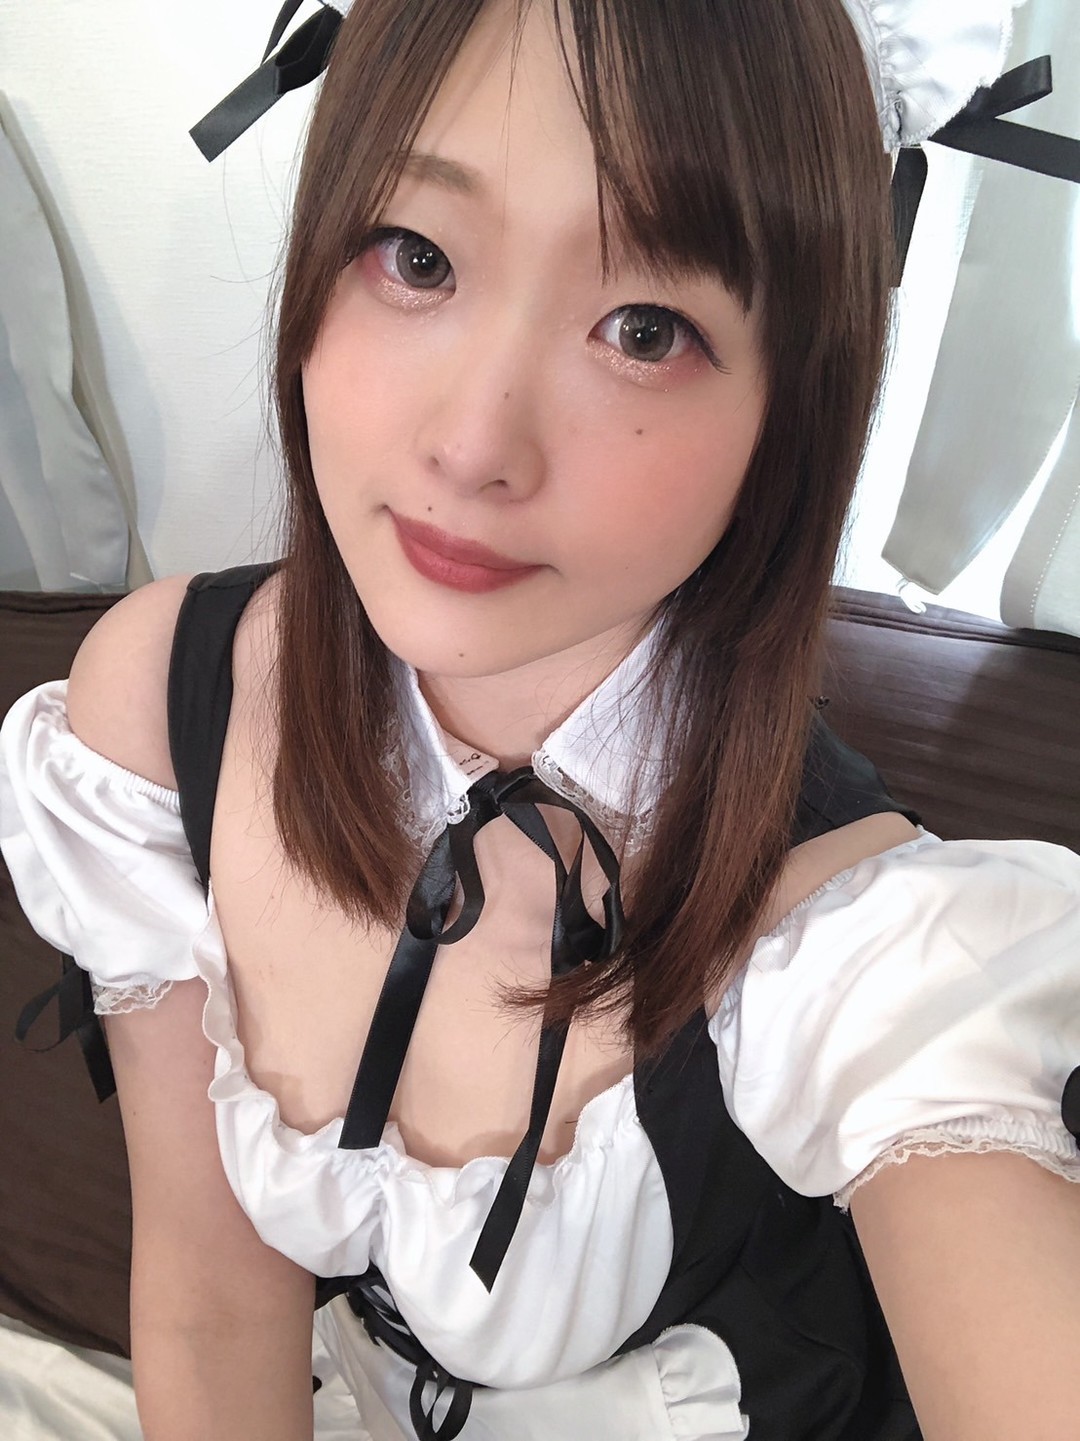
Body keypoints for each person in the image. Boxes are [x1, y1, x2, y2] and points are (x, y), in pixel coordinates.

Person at [2, 1, 1079, 1438]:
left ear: (793, 409)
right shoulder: (163, 706)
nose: (472, 446)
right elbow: (210, 1296)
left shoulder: (854, 938)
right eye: (418, 256)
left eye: (645, 329)